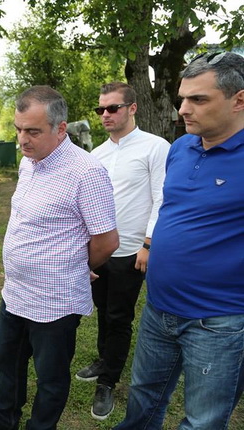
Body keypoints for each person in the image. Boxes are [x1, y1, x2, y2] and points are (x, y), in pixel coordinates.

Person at [0, 86, 118, 430]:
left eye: (33, 131)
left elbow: (107, 241)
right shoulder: (28, 163)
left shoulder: (86, 172)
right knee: (8, 361)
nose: (22, 139)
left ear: (60, 128)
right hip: (16, 292)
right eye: (18, 129)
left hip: (55, 301)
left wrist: (78, 267)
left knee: (50, 377)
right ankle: (3, 419)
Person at [114, 52, 244, 429]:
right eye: (182, 98)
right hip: (159, 307)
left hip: (219, 319)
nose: (183, 109)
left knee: (202, 420)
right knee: (143, 397)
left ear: (239, 100)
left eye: (198, 99)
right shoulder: (181, 148)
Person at [74, 82, 169, 420]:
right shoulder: (96, 154)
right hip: (99, 249)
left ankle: (108, 382)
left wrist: (148, 244)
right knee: (102, 309)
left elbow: (162, 198)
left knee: (119, 316)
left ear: (132, 108)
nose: (105, 115)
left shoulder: (155, 147)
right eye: (100, 109)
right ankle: (105, 359)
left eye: (112, 108)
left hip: (132, 250)